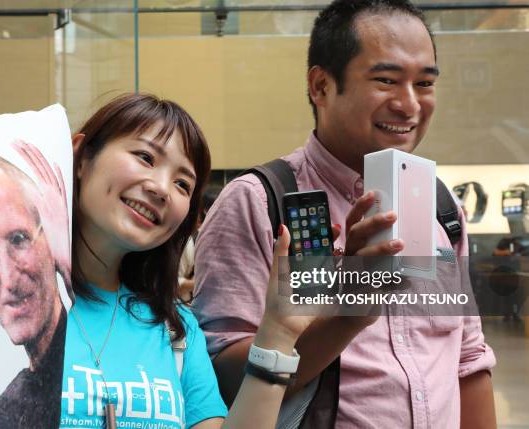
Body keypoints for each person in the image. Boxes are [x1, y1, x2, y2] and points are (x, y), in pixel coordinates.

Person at [193, 1, 497, 428]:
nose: (409, 105)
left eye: (424, 83)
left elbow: (468, 360)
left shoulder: (439, 206)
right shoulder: (261, 202)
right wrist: (352, 299)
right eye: (387, 80)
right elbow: (218, 380)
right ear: (320, 86)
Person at [59, 93, 335, 429]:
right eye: (145, 157)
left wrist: (278, 332)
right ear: (81, 156)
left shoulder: (176, 329)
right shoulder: (4, 308)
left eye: (182, 183)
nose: (161, 189)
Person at [0, 145, 72, 428]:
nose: (8, 279)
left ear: (54, 240)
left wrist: (71, 273)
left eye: (20, 239)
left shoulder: (87, 359)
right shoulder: (4, 414)